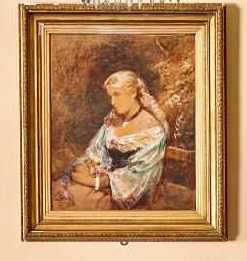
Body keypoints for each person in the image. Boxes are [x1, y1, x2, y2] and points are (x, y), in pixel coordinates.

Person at [59, 69, 168, 210]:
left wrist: (97, 182)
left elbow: (141, 177)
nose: (113, 102)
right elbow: (96, 151)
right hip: (101, 183)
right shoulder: (113, 120)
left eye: (117, 94)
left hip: (126, 194)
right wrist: (87, 166)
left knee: (78, 202)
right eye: (110, 96)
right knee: (66, 195)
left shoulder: (151, 129)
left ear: (133, 92)